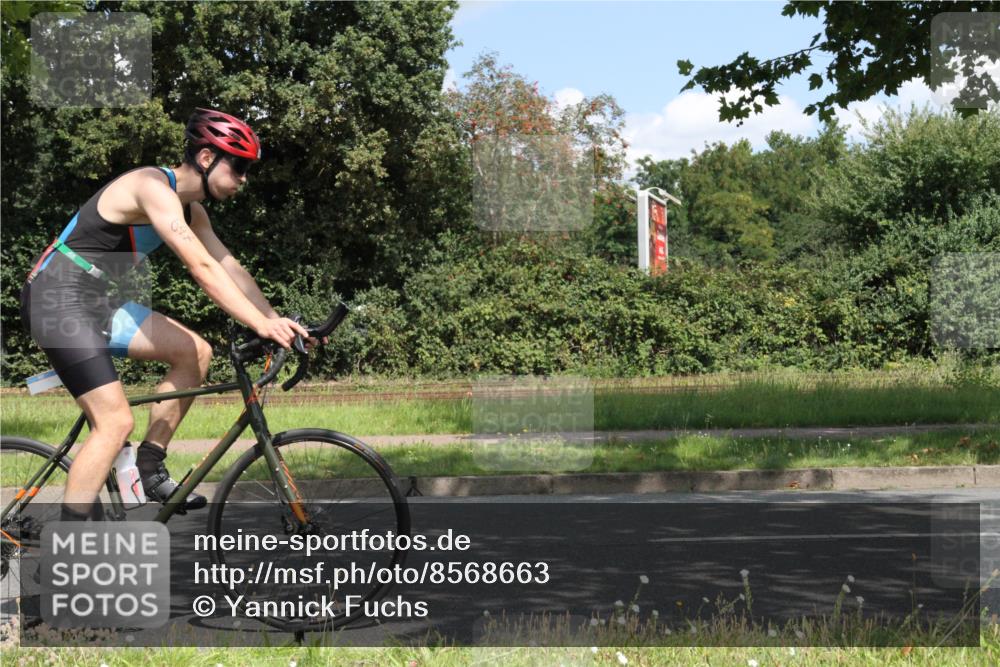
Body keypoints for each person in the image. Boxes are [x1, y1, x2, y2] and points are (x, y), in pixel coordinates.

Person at [20, 107, 311, 521]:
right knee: (115, 423)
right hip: (55, 297)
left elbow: (228, 266)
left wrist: (277, 320)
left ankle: (149, 468)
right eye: (240, 167)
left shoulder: (193, 211)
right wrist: (259, 323)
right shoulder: (152, 186)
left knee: (195, 352)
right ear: (207, 158)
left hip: (91, 302)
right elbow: (201, 267)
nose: (244, 179)